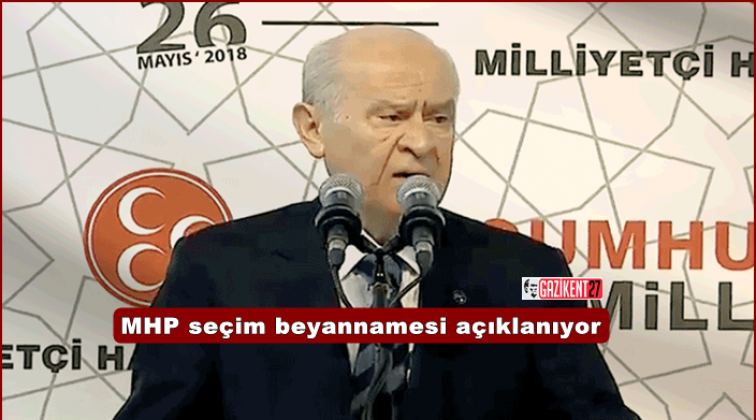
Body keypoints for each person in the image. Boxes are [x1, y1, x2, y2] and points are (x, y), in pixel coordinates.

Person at [114, 27, 641, 420]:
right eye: (391, 117)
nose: (423, 142)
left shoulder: (534, 271)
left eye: (439, 118)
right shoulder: (216, 266)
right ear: (313, 128)